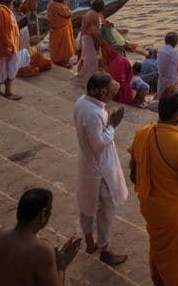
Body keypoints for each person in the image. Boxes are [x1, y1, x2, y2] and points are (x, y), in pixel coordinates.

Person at [129, 91, 178, 286]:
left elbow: (132, 172)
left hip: (150, 207)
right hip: (173, 211)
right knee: (177, 255)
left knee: (158, 245)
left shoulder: (142, 133)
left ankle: (159, 279)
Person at [72, 72, 128, 267]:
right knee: (106, 209)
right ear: (103, 92)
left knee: (86, 206)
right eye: (111, 93)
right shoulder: (93, 113)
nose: (113, 96)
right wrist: (112, 125)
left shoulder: (81, 102)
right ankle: (104, 249)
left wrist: (108, 116)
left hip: (87, 165)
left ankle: (89, 242)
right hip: (100, 169)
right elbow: (98, 143)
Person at [0, 188, 82, 286]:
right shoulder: (42, 250)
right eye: (49, 211)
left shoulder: (0, 234)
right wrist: (61, 266)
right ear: (43, 214)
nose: (50, 215)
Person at [46, 0, 76, 67]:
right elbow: (68, 13)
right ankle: (63, 62)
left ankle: (56, 60)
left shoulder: (50, 4)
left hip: (54, 30)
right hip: (62, 30)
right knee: (64, 48)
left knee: (56, 47)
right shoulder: (59, 6)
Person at [77, 0, 104, 82]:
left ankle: (82, 73)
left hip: (85, 37)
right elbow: (93, 30)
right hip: (89, 38)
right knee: (91, 58)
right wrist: (99, 39)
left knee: (85, 56)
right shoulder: (94, 14)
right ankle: (90, 76)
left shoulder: (89, 12)